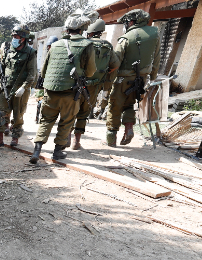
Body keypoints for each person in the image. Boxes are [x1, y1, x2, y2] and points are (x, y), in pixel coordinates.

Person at [30, 12, 96, 163]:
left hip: (50, 91)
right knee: (66, 121)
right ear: (83, 29)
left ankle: (36, 151)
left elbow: (44, 70)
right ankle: (57, 152)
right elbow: (91, 71)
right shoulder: (87, 45)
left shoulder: (55, 45)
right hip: (70, 93)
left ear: (67, 29)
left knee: (46, 120)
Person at [105, 9, 160, 147]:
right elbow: (157, 57)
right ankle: (129, 128)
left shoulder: (126, 38)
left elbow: (116, 62)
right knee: (129, 104)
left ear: (132, 21)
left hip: (122, 79)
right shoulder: (155, 35)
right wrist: (152, 76)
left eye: (127, 22)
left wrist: (108, 80)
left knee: (114, 107)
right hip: (141, 79)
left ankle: (111, 139)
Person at [71, 19, 120, 149]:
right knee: (84, 112)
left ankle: (65, 139)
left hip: (77, 83)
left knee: (71, 111)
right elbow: (115, 65)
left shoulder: (84, 43)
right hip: (95, 85)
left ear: (90, 32)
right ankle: (76, 141)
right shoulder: (108, 46)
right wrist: (105, 72)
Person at [0, 25, 37, 148]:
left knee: (18, 116)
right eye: (13, 37)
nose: (14, 39)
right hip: (5, 87)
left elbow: (32, 73)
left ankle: (15, 139)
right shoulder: (7, 50)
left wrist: (25, 87)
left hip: (20, 90)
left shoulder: (30, 53)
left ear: (23, 38)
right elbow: (1, 68)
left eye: (16, 37)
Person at [34, 36, 59, 124]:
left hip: (54, 82)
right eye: (49, 46)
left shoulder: (59, 55)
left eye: (50, 46)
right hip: (45, 80)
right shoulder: (48, 55)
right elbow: (43, 70)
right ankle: (39, 117)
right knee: (41, 100)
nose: (49, 48)